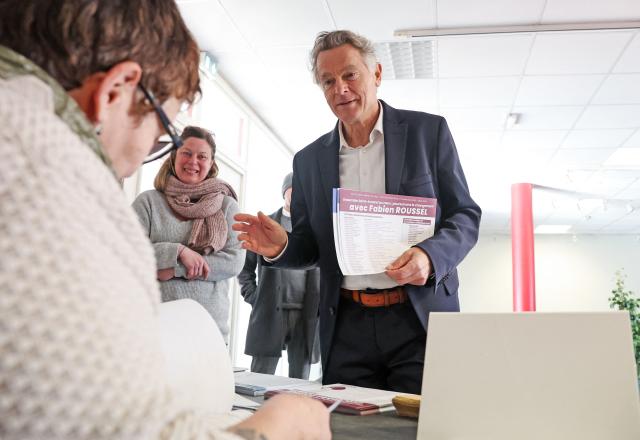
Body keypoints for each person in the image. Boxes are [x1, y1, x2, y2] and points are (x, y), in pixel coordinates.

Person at [0, 2, 330, 439]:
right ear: (115, 91)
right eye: (160, 138)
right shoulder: (38, 172)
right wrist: (275, 430)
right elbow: (107, 427)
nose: (136, 158)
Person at [233, 30, 481, 395]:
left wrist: (429, 257)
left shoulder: (427, 132)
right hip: (347, 325)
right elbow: (312, 247)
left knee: (424, 427)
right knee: (349, 429)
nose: (340, 89)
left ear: (376, 74)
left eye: (350, 75)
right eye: (328, 81)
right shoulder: (309, 160)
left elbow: (465, 216)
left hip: (418, 319)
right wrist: (281, 247)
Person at [132, 126, 244, 342]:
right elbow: (128, 251)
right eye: (186, 153)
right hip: (154, 326)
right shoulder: (148, 203)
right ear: (174, 156)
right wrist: (177, 251)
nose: (193, 162)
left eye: (202, 156)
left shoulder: (226, 206)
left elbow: (233, 261)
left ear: (211, 163)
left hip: (209, 330)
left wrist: (173, 267)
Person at [238, 172, 321, 379]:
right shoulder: (265, 225)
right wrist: (254, 297)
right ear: (285, 192)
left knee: (299, 380)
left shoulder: (316, 228)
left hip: (306, 313)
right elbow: (245, 269)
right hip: (269, 310)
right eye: (293, 189)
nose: (298, 194)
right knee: (260, 376)